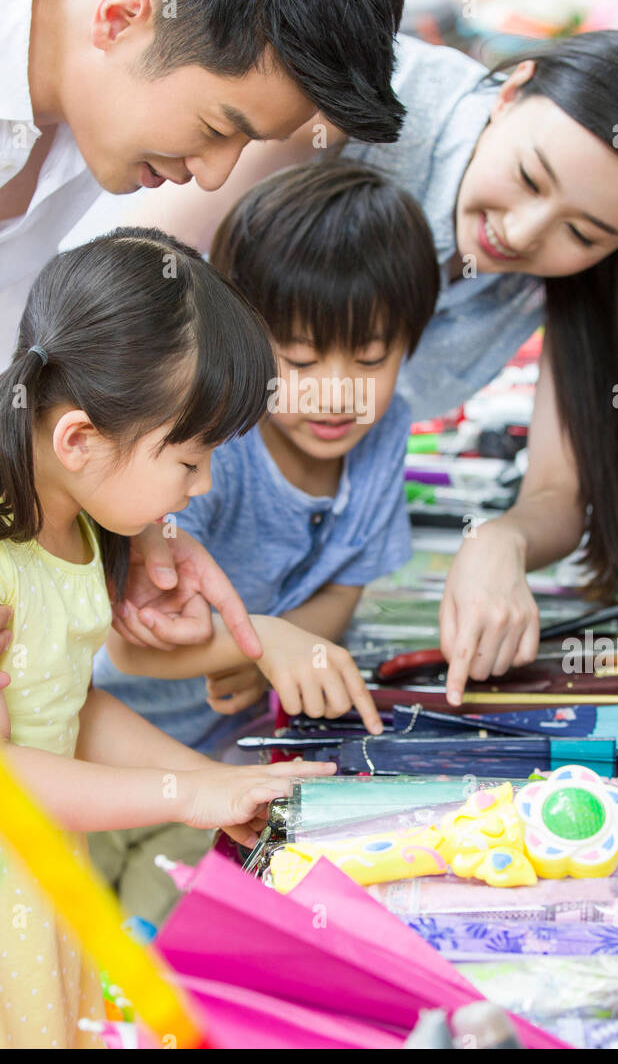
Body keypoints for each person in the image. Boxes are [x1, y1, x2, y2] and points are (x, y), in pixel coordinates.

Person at [0, 0, 406, 694]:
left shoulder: (77, 134)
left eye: (243, 149)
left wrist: (118, 515)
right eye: (216, 126)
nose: (211, 176)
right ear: (123, 17)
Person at [137, 28, 618, 701]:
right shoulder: (353, 99)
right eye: (527, 178)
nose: (518, 233)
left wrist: (502, 539)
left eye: (581, 234)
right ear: (512, 91)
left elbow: (557, 490)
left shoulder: (583, 283)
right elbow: (136, 278)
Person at [0, 228, 335, 1048]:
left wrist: (213, 781)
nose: (199, 490)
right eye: (189, 461)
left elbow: (67, 707)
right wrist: (189, 795)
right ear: (80, 439)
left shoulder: (79, 530)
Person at [90, 161, 441, 921]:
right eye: (303, 359)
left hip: (221, 768)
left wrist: (283, 655)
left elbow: (345, 588)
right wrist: (265, 643)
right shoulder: (209, 450)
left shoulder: (386, 439)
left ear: (411, 343)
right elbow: (131, 649)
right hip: (98, 751)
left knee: (169, 941)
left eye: (371, 358)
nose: (337, 390)